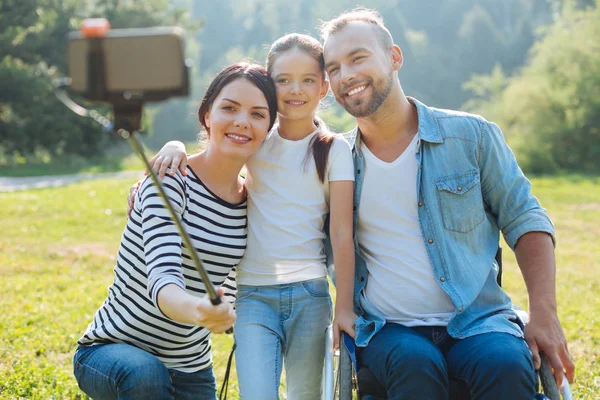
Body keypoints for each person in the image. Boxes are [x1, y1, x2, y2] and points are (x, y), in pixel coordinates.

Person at [316, 7, 575, 400]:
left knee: (506, 365)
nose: (345, 76)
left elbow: (525, 219)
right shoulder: (334, 162)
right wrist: (183, 151)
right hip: (388, 330)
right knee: (414, 366)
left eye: (357, 58)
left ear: (395, 57)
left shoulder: (472, 137)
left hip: (479, 321)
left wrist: (544, 314)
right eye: (332, 68)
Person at [138, 34, 356, 399]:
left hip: (311, 297)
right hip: (253, 297)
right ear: (269, 86)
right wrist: (173, 148)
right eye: (283, 79)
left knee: (307, 395)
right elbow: (210, 161)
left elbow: (343, 234)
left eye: (307, 80)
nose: (294, 90)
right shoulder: (255, 137)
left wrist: (345, 308)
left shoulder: (334, 150)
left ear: (324, 88)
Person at [73, 62, 278, 400]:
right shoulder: (169, 180)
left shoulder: (254, 203)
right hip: (110, 352)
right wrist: (202, 311)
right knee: (145, 376)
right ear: (207, 115)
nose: (242, 121)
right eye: (229, 108)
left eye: (258, 114)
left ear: (269, 127)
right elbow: (163, 280)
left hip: (190, 367)